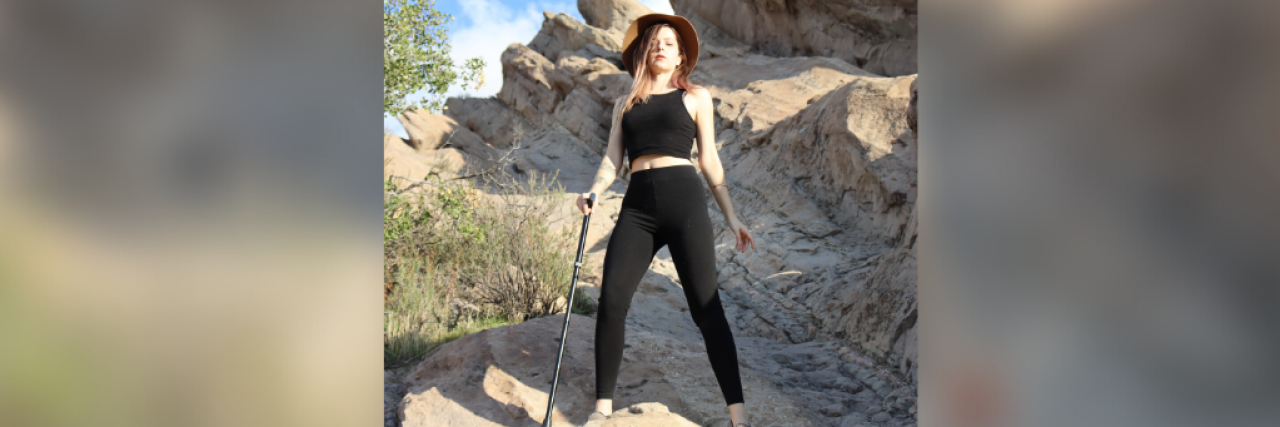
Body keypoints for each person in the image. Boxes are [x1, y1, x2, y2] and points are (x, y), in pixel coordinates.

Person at [574, 13, 757, 427]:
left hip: (684, 199)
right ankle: (602, 410)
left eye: (669, 42)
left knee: (707, 309)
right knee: (612, 299)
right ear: (643, 53)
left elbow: (709, 159)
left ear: (680, 59)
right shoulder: (625, 104)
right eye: (654, 41)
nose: (660, 46)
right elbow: (611, 160)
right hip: (637, 206)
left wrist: (731, 215)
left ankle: (739, 418)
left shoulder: (695, 97)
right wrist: (594, 192)